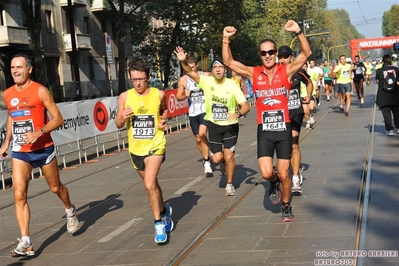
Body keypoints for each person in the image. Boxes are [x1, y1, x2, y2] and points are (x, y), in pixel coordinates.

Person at [222, 20, 311, 222]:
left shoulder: (286, 71)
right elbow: (229, 62)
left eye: (271, 52)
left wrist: (299, 32)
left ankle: (286, 206)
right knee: (266, 172)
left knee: (284, 173)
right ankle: (273, 183)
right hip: (264, 129)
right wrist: (226, 38)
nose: (268, 55)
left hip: (283, 129)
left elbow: (305, 54)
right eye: (264, 53)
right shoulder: (254, 73)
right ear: (260, 55)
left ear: (276, 54)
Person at [0, 54, 79, 257]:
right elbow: (12, 116)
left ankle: (70, 210)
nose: (15, 71)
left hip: (43, 150)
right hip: (20, 152)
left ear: (29, 69)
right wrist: (6, 142)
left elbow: (58, 119)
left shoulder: (40, 91)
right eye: (12, 68)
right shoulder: (8, 93)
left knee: (55, 188)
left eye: (19, 67)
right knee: (19, 194)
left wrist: (39, 132)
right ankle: (26, 242)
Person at [174, 47, 250, 197]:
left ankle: (229, 184)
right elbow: (190, 73)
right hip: (214, 125)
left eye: (220, 67)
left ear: (225, 70)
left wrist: (237, 114)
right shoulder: (206, 82)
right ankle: (219, 162)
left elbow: (246, 106)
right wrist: (183, 61)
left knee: (229, 156)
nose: (217, 70)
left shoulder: (232, 85)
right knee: (217, 158)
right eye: (215, 67)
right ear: (212, 70)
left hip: (229, 126)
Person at [115, 59, 173, 244]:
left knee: (148, 184)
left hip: (156, 144)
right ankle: (164, 211)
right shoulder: (125, 97)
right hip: (136, 149)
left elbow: (164, 112)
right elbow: (117, 123)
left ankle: (158, 225)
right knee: (153, 185)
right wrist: (123, 118)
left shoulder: (159, 94)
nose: (138, 83)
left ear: (148, 77)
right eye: (134, 79)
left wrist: (163, 122)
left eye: (141, 79)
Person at [278, 46, 313, 194]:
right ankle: (294, 167)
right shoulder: (275, 72)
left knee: (293, 144)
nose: (282, 60)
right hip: (279, 114)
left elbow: (309, 83)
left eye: (285, 57)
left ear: (291, 57)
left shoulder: (299, 71)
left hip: (295, 112)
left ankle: (296, 177)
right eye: (280, 57)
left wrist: (309, 96)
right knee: (284, 148)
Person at [176, 55, 212, 174]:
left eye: (193, 67)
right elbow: (178, 97)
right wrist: (185, 94)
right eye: (188, 67)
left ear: (197, 65)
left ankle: (207, 161)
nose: (191, 70)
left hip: (205, 111)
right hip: (193, 112)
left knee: (202, 134)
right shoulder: (183, 80)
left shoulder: (206, 75)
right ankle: (206, 156)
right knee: (198, 139)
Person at [375, 54, 399, 136]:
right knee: (396, 111)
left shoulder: (379, 71)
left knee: (386, 113)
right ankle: (398, 128)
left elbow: (378, 82)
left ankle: (390, 129)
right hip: (395, 94)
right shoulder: (396, 70)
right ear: (391, 61)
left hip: (383, 95)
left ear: (383, 61)